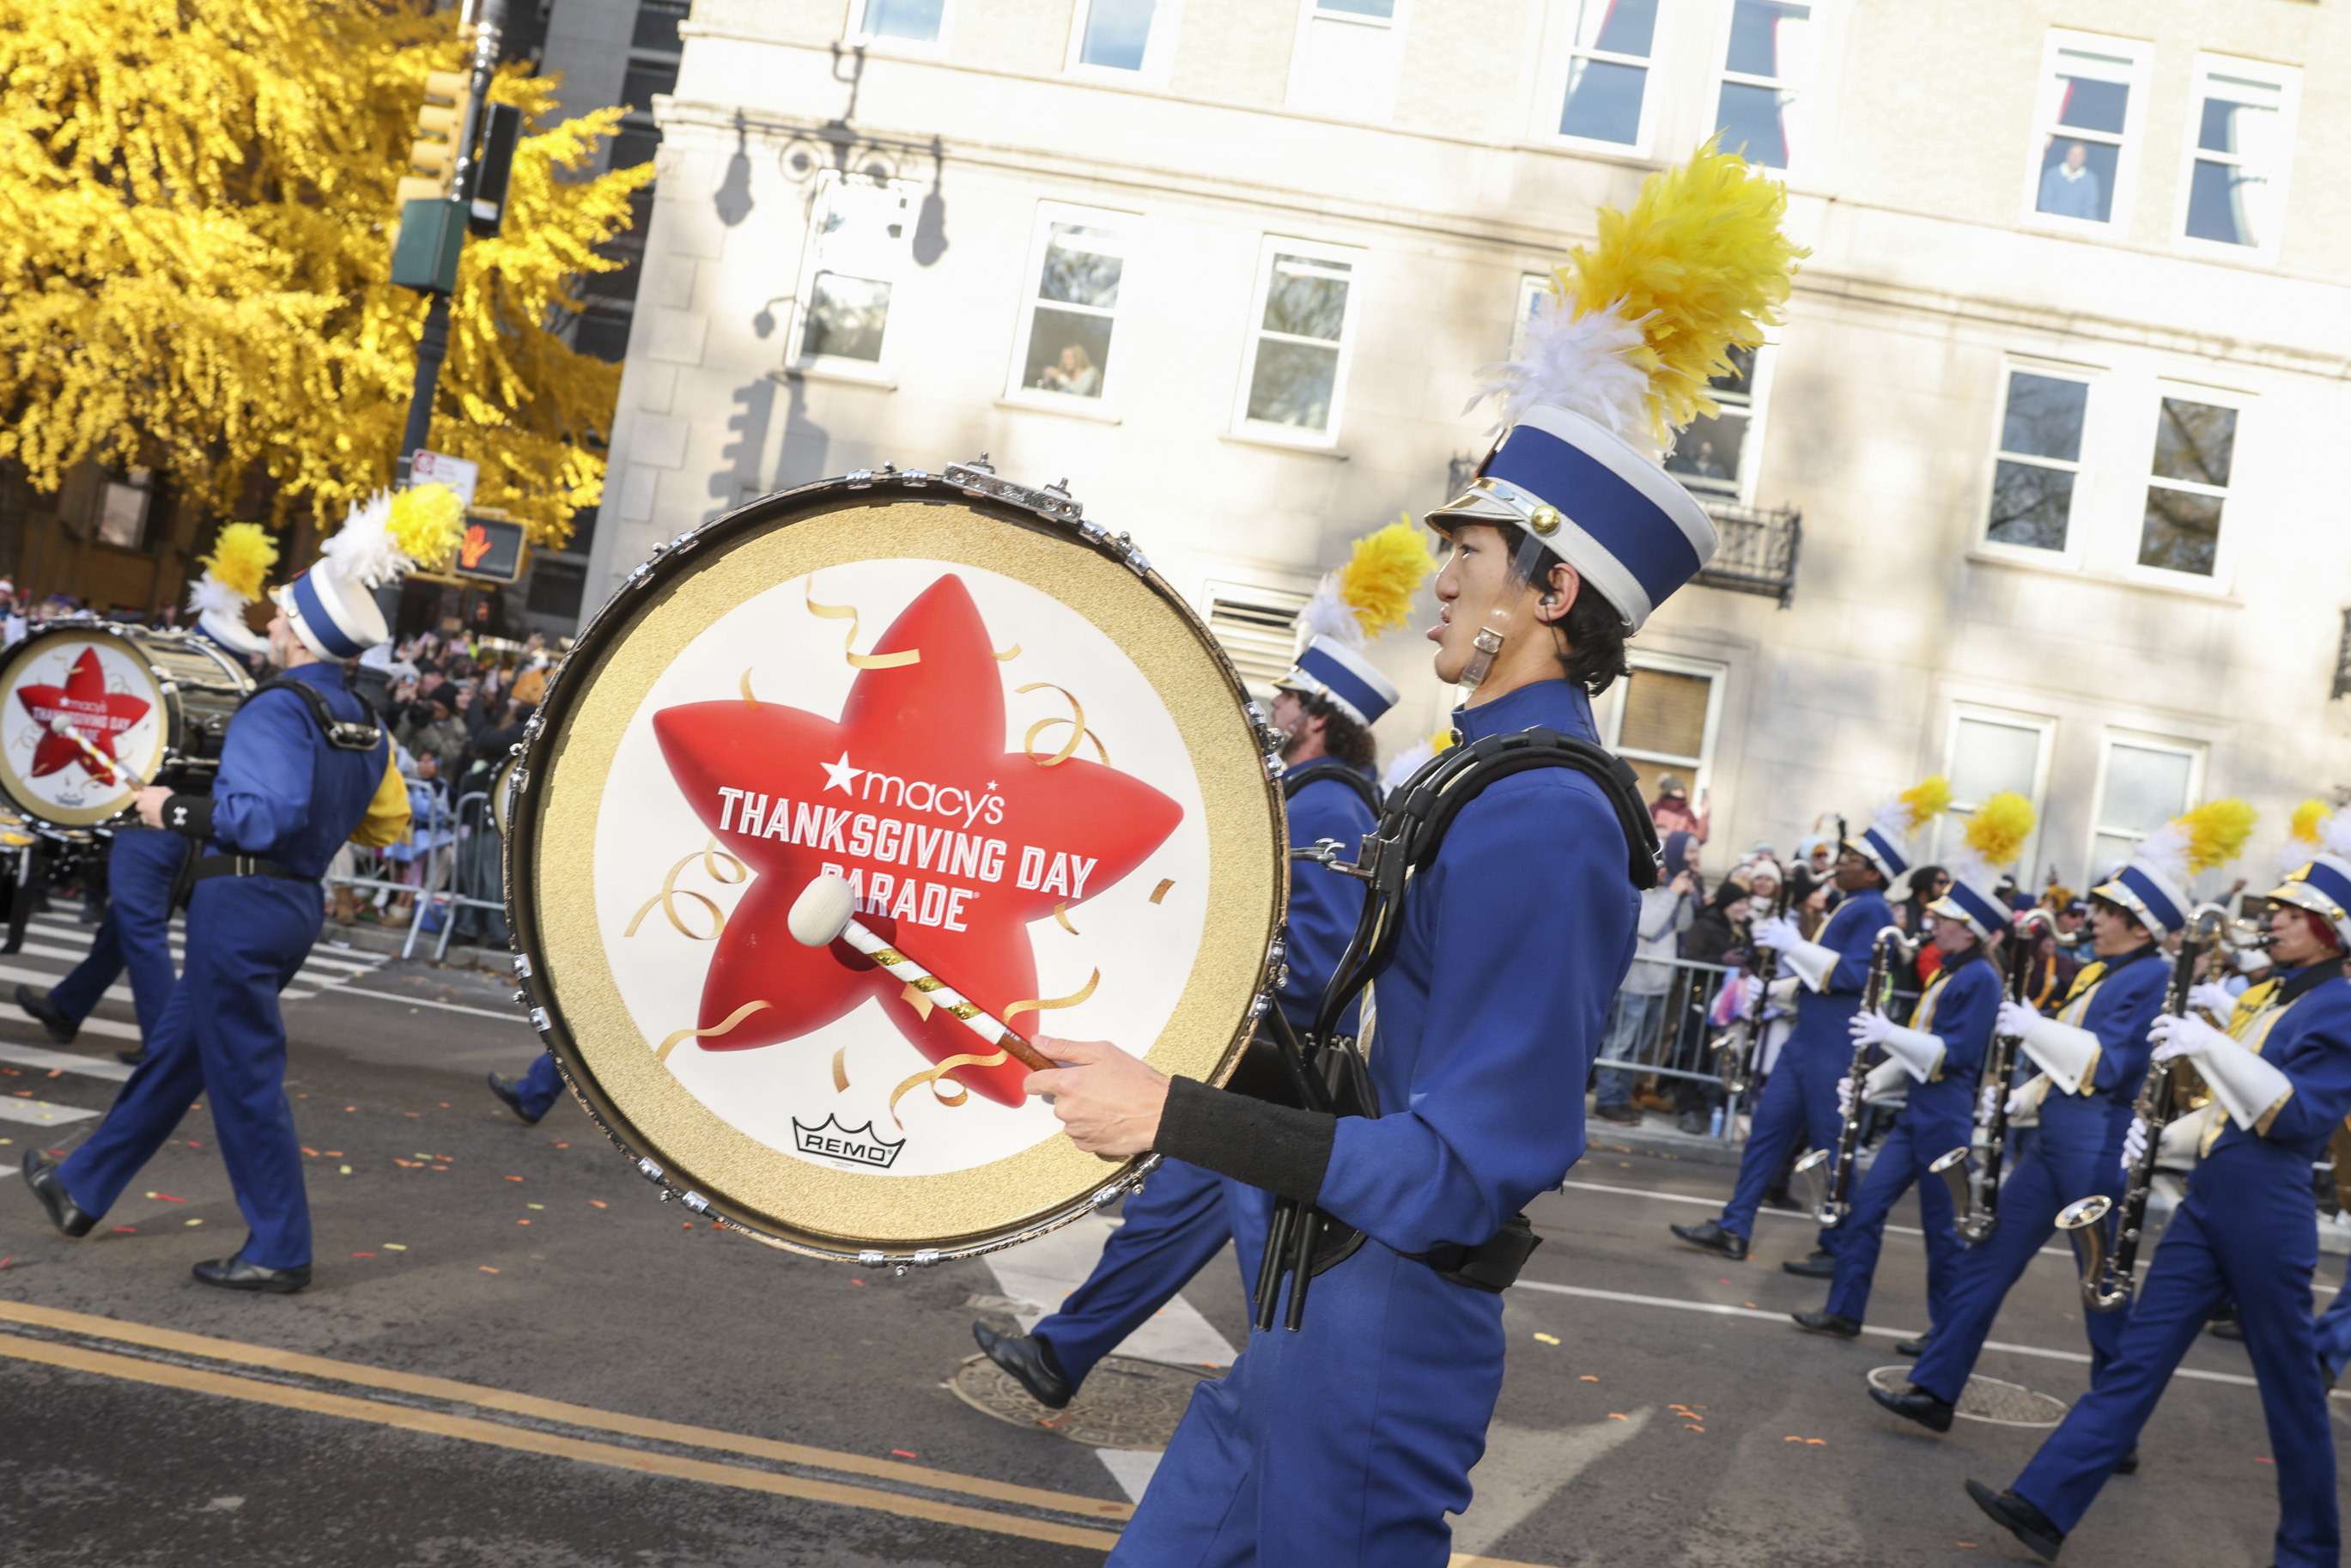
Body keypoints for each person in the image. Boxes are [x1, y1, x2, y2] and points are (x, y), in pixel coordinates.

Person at [1014, 137, 1789, 1566]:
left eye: (1473, 554)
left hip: (1385, 1328)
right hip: (1310, 1305)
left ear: (1548, 592)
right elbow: (1349, 1056)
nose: (1439, 578)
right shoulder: (1473, 779)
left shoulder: (1546, 816)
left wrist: (1173, 1118)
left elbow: (1455, 1169)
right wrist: (1138, 1048)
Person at [966, 530, 1422, 1407]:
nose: (1276, 704)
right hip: (1244, 1068)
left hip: (1264, 1074)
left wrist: (1217, 1002)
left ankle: (1294, 1390)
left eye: (1290, 696)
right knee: (1166, 1217)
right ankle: (1060, 1353)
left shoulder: (1325, 801)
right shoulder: (1306, 793)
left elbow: (1313, 951)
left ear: (1317, 715)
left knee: (1257, 1238)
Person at [18, 488, 456, 1292]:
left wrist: (168, 806)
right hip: (292, 906)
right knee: (176, 1056)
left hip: (242, 904)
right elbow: (381, 825)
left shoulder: (276, 708)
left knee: (246, 1082)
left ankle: (281, 1247)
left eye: (284, 616)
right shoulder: (363, 721)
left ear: (304, 637)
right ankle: (82, 1186)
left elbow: (261, 814)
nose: (274, 623)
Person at [1966, 839, 2351, 1568]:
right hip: (2212, 1197)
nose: (2272, 921)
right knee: (2137, 1358)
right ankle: (2046, 1503)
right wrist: (2164, 1134)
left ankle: (2310, 1551)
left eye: (2290, 913)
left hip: (2268, 1209)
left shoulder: (2340, 1005)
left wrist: (2209, 1044)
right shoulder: (2273, 993)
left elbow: (2296, 1116)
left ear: (2330, 928)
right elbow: (2227, 1105)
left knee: (2293, 1391)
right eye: (2273, 909)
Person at [1873, 799, 2254, 1435]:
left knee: (2099, 1290)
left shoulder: (2152, 976)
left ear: (2139, 926)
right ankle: (1936, 1388)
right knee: (1985, 1261)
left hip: (2097, 1144)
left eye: (2107, 912)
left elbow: (2107, 1064)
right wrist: (2020, 1100)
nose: (2094, 917)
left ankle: (2115, 1428)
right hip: (2058, 1139)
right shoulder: (2104, 970)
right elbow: (2067, 1067)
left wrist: (2033, 1027)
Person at [15, 526, 282, 1065]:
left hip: (154, 821)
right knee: (127, 920)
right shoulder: (248, 697)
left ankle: (164, 1044)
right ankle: (69, 1007)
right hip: (189, 823)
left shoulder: (183, 695)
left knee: (138, 923)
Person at [1670, 778, 1945, 1272]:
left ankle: (1841, 1248)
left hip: (1835, 1046)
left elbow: (1854, 975)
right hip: (1809, 1041)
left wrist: (1792, 946)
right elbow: (1824, 978)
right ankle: (1735, 1226)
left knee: (1832, 1147)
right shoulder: (1853, 904)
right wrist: (1775, 990)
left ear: (1873, 872)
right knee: (1766, 1134)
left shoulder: (1875, 910)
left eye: (1851, 859)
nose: (1840, 863)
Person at [1789, 795, 2032, 1346]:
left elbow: (1948, 1055)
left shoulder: (1979, 981)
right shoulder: (1950, 974)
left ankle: (1944, 1333)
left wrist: (1888, 1036)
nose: (1934, 922)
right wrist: (1871, 1082)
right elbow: (1918, 1055)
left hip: (1945, 1118)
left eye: (1946, 919)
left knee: (1942, 1234)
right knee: (1867, 1208)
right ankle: (1845, 1309)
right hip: (1919, 1114)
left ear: (1968, 931)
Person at [1594, 829, 1697, 1125]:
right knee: (1621, 1044)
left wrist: (1684, 897)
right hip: (1636, 983)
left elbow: (1684, 925)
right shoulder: (1641, 889)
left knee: (1638, 1047)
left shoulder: (1670, 893)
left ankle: (1621, 1098)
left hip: (1658, 985)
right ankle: (1608, 1099)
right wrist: (1674, 894)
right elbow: (1648, 926)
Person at [2038, 140, 2104, 222]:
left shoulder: (2090, 180)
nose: (2075, 158)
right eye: (2073, 154)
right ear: (2067, 155)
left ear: (2085, 158)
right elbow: (2045, 203)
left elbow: (2090, 209)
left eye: (2079, 155)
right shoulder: (2052, 174)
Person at [1649, 773, 1709, 844]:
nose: (1683, 792)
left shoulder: (1687, 813)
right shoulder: (1655, 809)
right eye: (1680, 789)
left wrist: (1704, 812)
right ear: (1671, 790)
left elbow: (1699, 837)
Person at [1037, 343, 1101, 398]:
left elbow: (1081, 393)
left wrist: (1060, 376)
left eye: (1068, 357)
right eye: (1063, 358)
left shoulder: (1090, 372)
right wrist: (1049, 385)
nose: (1064, 361)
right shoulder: (1068, 375)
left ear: (1078, 357)